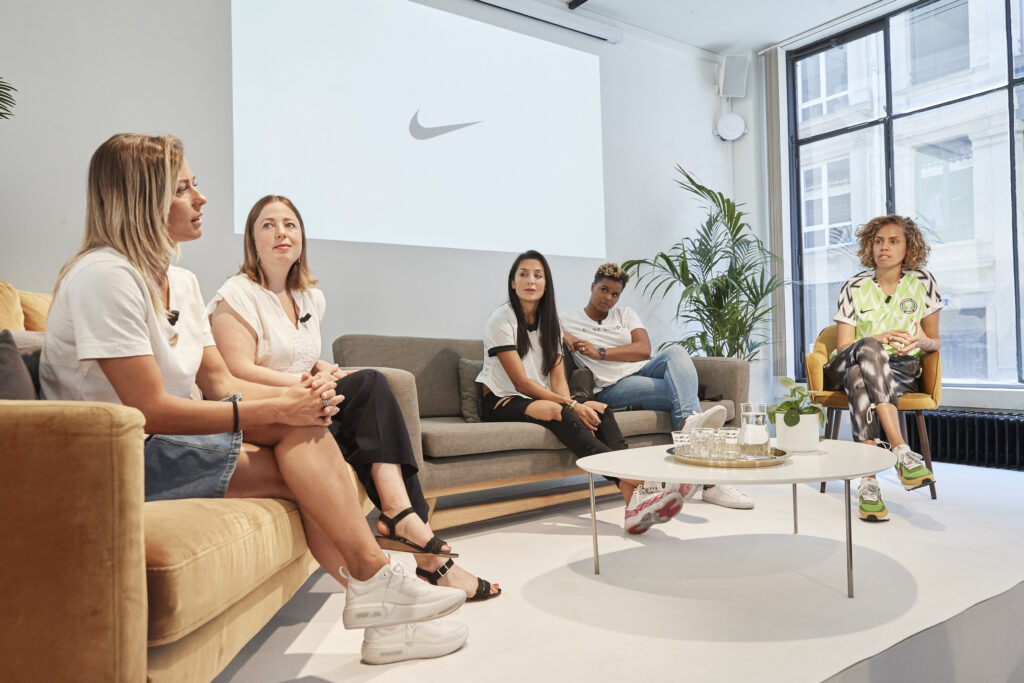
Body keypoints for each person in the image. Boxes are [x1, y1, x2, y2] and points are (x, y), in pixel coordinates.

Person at [39, 134, 468, 665]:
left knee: (307, 436)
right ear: (141, 199)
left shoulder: (181, 281)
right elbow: (147, 411)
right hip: (117, 457)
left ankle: (380, 606)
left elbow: (219, 382)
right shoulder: (104, 276)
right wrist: (281, 408)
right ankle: (379, 587)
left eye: (195, 185)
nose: (201, 198)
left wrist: (299, 400)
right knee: (304, 457)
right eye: (182, 189)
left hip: (165, 439)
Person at [209, 194, 499, 602]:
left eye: (290, 224)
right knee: (369, 385)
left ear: (302, 238)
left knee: (370, 396)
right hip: (263, 409)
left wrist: (320, 369)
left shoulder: (309, 297)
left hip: (306, 399)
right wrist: (304, 383)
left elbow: (296, 353)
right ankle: (415, 537)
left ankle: (415, 536)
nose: (281, 233)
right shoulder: (236, 295)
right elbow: (235, 370)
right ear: (252, 240)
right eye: (268, 225)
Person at [476, 250, 697, 534]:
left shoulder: (551, 323)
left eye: (538, 275)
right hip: (501, 398)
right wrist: (570, 406)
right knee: (558, 411)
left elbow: (557, 377)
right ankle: (643, 484)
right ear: (513, 282)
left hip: (536, 396)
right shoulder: (501, 320)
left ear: (546, 283)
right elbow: (521, 383)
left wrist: (576, 404)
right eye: (524, 274)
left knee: (599, 410)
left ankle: (633, 504)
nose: (531, 280)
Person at [560, 263, 754, 510]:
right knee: (682, 394)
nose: (608, 298)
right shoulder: (568, 320)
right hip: (612, 385)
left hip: (642, 369)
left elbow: (644, 349)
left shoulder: (625, 314)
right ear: (592, 287)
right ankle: (712, 483)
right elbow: (544, 326)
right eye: (604, 290)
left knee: (675, 351)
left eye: (615, 294)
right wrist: (566, 336)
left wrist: (600, 353)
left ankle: (689, 424)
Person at [824, 215, 941, 522]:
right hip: (845, 363)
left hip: (899, 371)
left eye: (893, 241)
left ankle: (869, 482)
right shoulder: (853, 286)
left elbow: (935, 341)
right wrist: (879, 338)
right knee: (866, 351)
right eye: (878, 241)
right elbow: (844, 346)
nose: (883, 247)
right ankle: (901, 450)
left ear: (909, 247)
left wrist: (922, 341)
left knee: (859, 380)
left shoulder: (923, 282)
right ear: (869, 245)